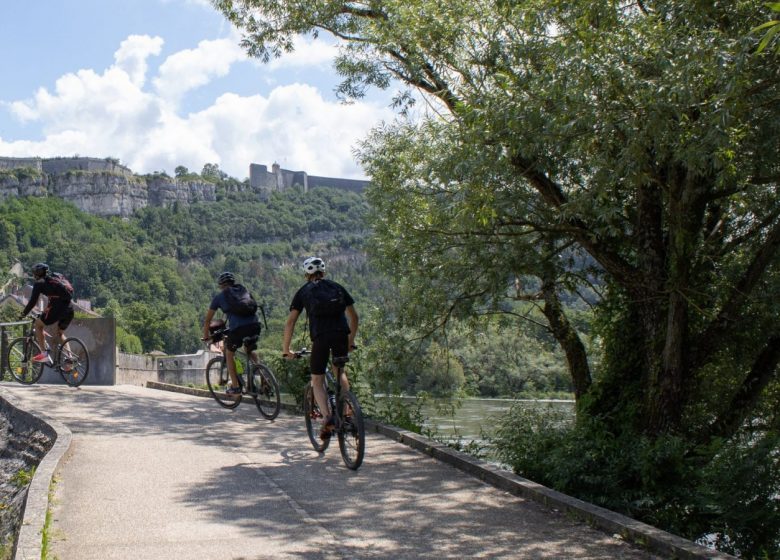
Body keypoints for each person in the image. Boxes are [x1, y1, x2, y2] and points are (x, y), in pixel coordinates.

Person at [282, 256, 358, 439]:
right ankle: (347, 415)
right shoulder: (337, 287)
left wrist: (286, 349)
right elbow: (354, 317)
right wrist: (350, 342)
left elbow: (290, 322)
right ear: (323, 272)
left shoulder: (303, 292)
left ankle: (328, 418)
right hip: (341, 334)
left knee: (317, 379)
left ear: (306, 274)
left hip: (321, 338)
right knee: (340, 372)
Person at [201, 272, 261, 395]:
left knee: (229, 354)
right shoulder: (243, 290)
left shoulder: (219, 297)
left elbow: (207, 320)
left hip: (238, 329)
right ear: (233, 283)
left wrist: (206, 335)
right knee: (249, 350)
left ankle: (235, 387)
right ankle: (264, 378)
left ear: (221, 285)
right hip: (255, 325)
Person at [19, 263, 75, 364]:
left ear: (36, 274)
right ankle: (70, 358)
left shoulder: (39, 284)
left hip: (58, 308)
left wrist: (23, 314)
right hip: (69, 308)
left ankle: (44, 354)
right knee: (59, 333)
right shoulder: (56, 276)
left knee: (38, 324)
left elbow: (32, 302)